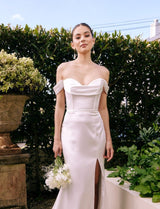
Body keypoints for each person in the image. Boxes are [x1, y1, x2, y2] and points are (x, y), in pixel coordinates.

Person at [52, 23, 114, 209]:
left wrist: (109, 139)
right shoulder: (63, 69)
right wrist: (56, 139)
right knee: (76, 181)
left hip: (95, 132)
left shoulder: (103, 72)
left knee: (95, 180)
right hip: (72, 133)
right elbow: (60, 106)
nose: (82, 39)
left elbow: (103, 108)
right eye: (78, 37)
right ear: (73, 44)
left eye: (86, 35)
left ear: (93, 41)